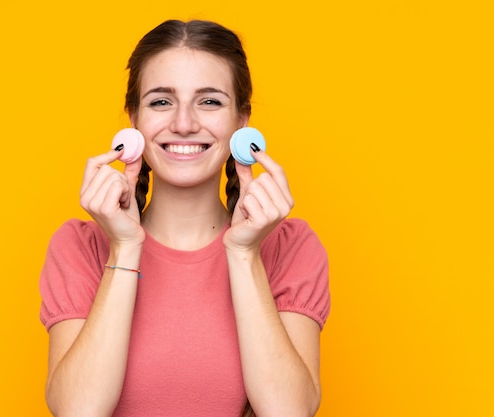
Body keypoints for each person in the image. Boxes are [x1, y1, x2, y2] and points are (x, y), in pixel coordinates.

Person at [39, 19, 330, 417]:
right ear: (134, 120)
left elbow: (288, 412)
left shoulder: (290, 247)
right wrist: (125, 247)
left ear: (241, 122)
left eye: (209, 101)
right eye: (161, 101)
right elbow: (78, 410)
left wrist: (244, 254)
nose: (184, 123)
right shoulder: (80, 247)